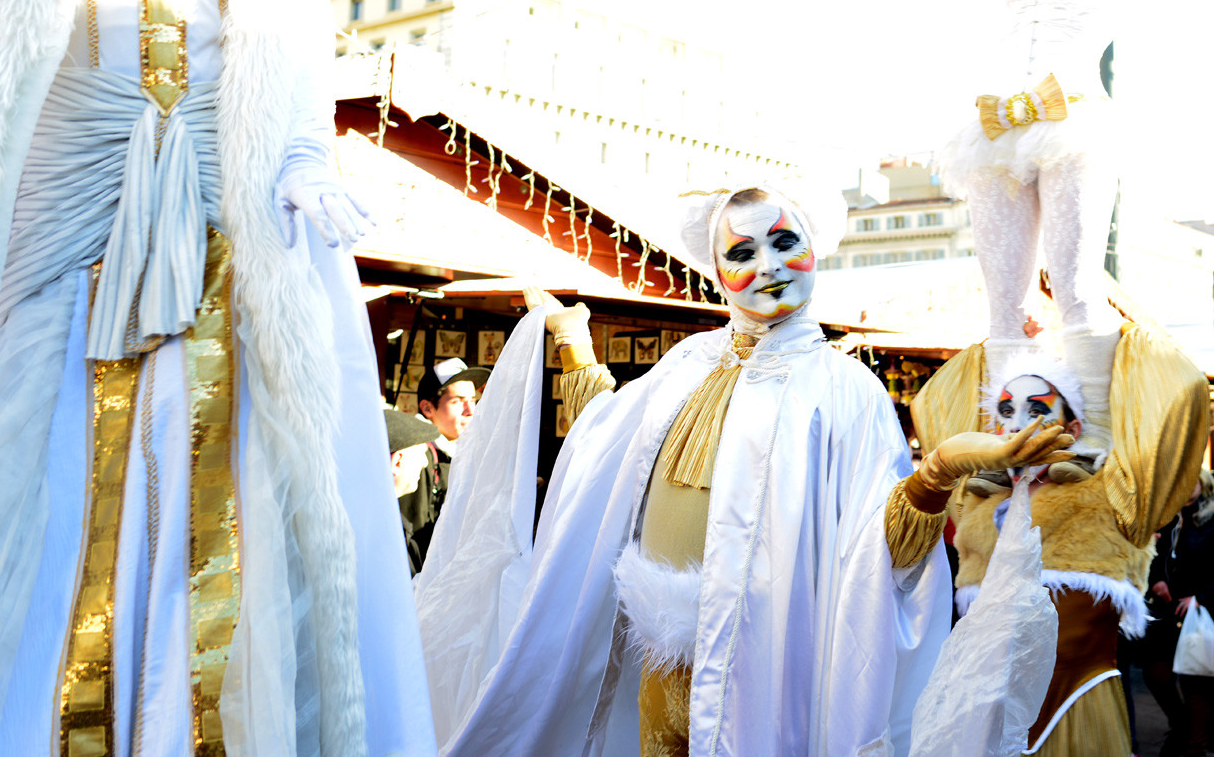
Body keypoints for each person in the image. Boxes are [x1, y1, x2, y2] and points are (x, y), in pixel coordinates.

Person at [0, 0, 433, 754]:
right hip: (66, 211)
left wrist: (307, 158)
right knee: (35, 504)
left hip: (227, 218)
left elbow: (292, 34)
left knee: (241, 518)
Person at [415, 181, 1072, 756]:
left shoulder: (844, 390)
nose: (769, 265)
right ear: (715, 273)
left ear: (814, 248)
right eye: (741, 252)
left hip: (768, 662)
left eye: (784, 242)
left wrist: (935, 476)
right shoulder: (685, 366)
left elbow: (883, 556)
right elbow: (608, 445)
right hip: (657, 656)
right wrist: (571, 343)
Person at [906, 0, 1198, 443]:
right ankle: (1005, 443)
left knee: (1073, 288)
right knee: (1003, 304)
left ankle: (1091, 445)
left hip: (1074, 123)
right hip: (996, 130)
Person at [912, 338, 1208, 757]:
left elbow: (1178, 399)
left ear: (1071, 430)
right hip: (985, 714)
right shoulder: (975, 503)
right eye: (1005, 412)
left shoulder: (1109, 497)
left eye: (1036, 411)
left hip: (1076, 708)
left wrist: (1084, 313)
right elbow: (939, 404)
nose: (1016, 426)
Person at [396, 358, 489, 574]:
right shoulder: (417, 456)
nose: (470, 410)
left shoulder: (461, 451)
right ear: (428, 408)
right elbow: (412, 536)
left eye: (473, 400)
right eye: (458, 401)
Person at [1165, 471, 1214, 757]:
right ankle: (1191, 737)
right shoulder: (1177, 516)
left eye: (1190, 481)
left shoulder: (1208, 518)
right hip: (1179, 611)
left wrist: (1202, 597)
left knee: (1198, 680)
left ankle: (1196, 744)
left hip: (1203, 611)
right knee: (1184, 677)